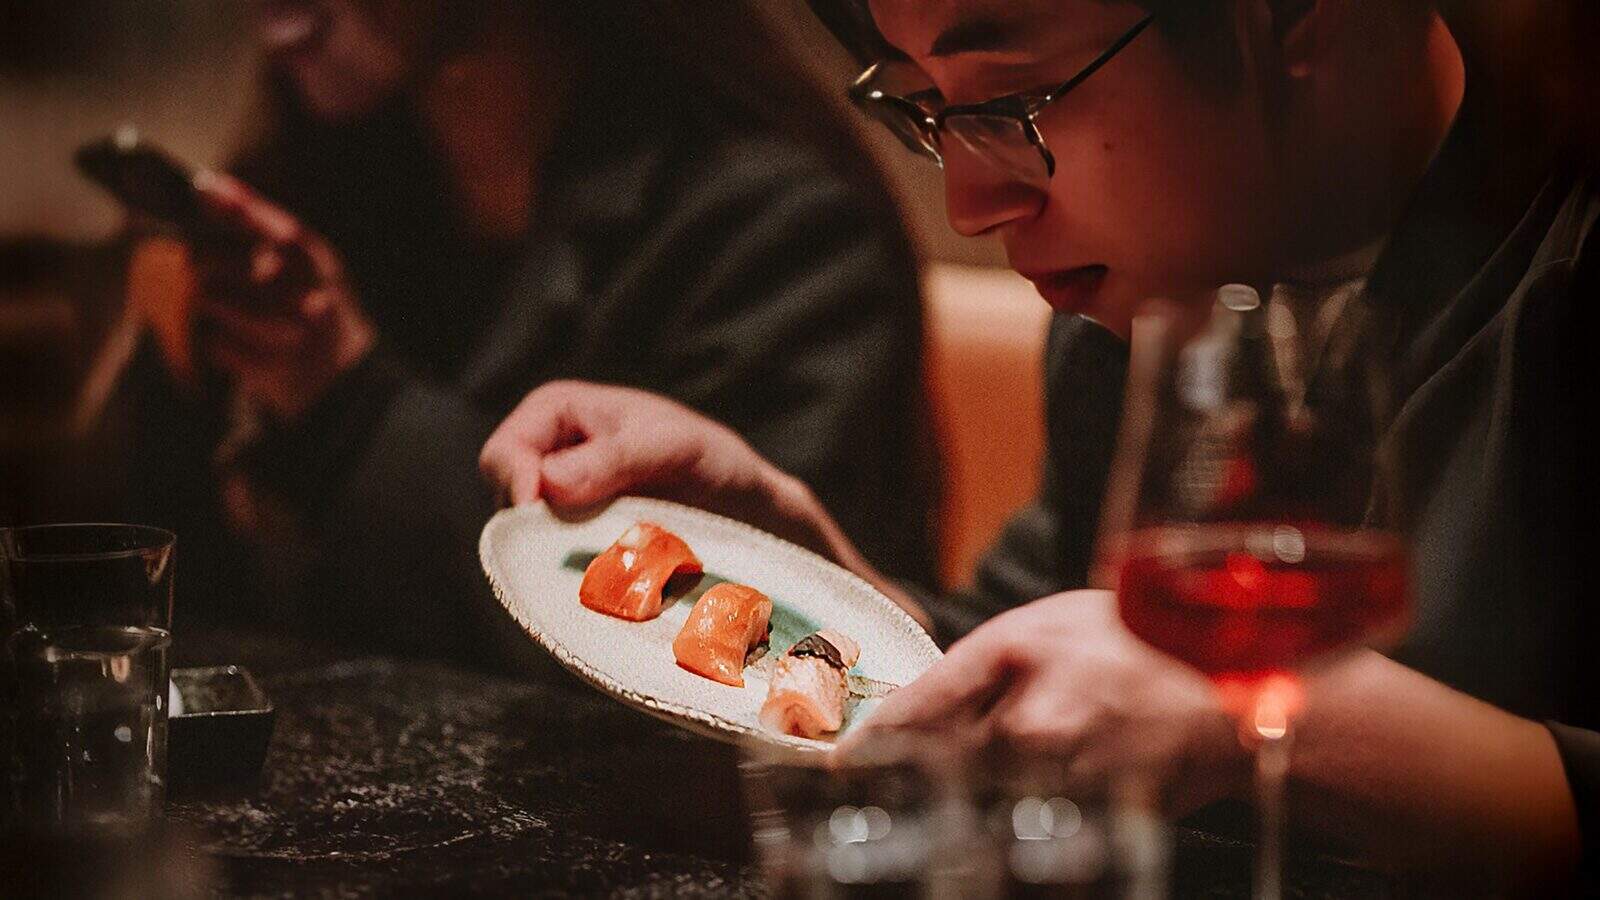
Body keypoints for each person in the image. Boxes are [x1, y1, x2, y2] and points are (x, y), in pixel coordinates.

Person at [480, 0, 1593, 890]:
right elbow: (1047, 672)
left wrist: (1260, 715)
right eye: (926, 108)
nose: (966, 201)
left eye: (1011, 98)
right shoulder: (1132, 320)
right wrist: (798, 557)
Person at [113, 0, 939, 664]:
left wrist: (346, 401)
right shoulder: (327, 184)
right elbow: (197, 604)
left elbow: (715, 653)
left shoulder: (777, 228)